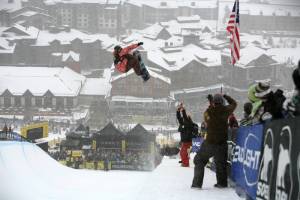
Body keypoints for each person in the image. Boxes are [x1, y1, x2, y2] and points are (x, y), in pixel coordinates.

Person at [192, 94, 237, 189]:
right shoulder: (226, 110)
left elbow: (207, 118)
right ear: (222, 102)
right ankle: (222, 183)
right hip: (222, 143)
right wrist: (226, 96)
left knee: (199, 160)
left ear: (213, 103)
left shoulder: (208, 112)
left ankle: (197, 184)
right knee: (221, 163)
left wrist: (211, 103)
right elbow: (234, 103)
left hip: (210, 143)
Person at [176, 103, 194, 167]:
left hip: (188, 141)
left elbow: (184, 117)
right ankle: (185, 163)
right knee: (183, 153)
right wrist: (178, 110)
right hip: (185, 141)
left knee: (183, 153)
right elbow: (179, 117)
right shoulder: (183, 123)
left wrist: (183, 110)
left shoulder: (189, 124)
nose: (183, 119)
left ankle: (185, 164)